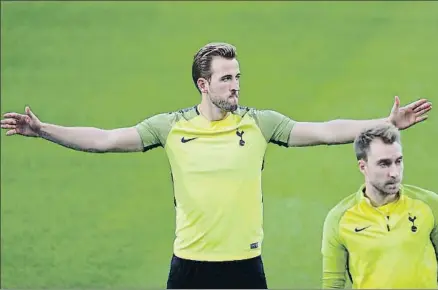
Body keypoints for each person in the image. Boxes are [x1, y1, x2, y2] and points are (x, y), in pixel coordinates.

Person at [1, 42, 433, 289]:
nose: (236, 85)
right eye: (227, 78)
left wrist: (385, 122)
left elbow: (324, 130)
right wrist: (43, 130)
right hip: (188, 267)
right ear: (203, 84)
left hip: (245, 267)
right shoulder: (169, 127)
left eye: (238, 76)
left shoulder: (260, 124)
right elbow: (105, 140)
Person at [321, 123, 438, 289]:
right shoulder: (339, 219)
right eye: (384, 164)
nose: (394, 173)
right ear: (363, 167)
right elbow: (333, 284)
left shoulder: (429, 204)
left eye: (398, 161)